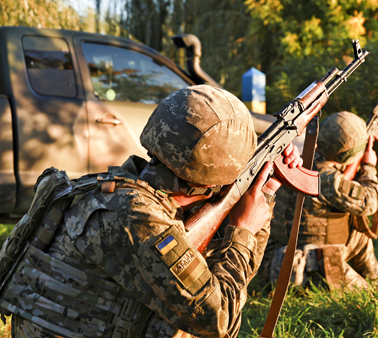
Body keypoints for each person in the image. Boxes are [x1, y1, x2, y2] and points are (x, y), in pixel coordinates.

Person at [5, 85, 301, 338]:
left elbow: (226, 281)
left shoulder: (130, 191)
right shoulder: (137, 220)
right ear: (212, 177)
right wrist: (243, 233)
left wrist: (264, 191)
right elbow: (220, 319)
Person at [264, 111, 378, 291]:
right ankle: (377, 290)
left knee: (359, 234)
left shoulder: (299, 158)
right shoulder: (327, 179)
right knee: (373, 298)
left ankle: (377, 282)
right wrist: (369, 167)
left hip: (275, 255)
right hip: (306, 265)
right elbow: (370, 202)